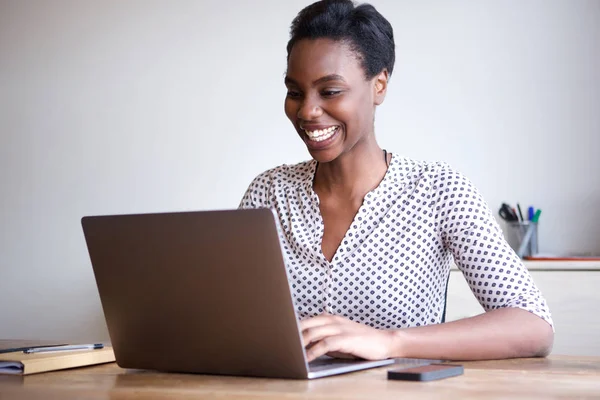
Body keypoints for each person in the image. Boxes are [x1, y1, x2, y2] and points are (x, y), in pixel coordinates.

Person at [239, 0, 554, 362]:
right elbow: (231, 315)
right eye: (295, 92)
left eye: (329, 91)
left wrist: (390, 342)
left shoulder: (438, 190)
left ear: (379, 86)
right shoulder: (268, 193)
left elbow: (533, 326)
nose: (307, 111)